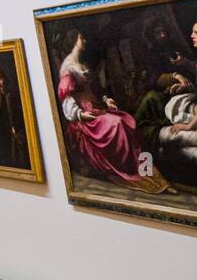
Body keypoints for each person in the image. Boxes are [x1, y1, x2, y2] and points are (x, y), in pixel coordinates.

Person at [58, 32, 172, 194]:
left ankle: (146, 171)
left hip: (96, 107)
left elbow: (96, 88)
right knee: (117, 124)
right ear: (73, 41)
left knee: (128, 121)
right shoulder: (68, 67)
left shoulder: (81, 62)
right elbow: (66, 99)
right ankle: (130, 171)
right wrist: (80, 115)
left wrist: (106, 100)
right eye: (81, 38)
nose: (84, 40)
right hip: (85, 114)